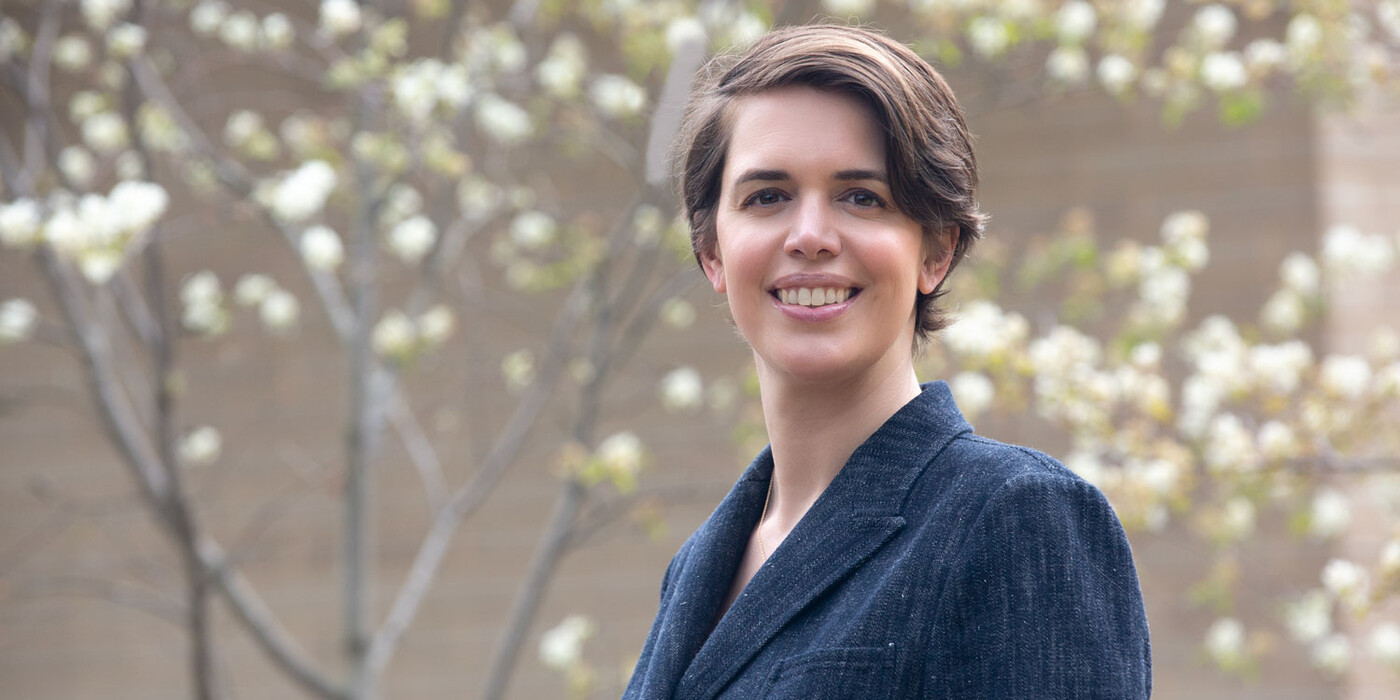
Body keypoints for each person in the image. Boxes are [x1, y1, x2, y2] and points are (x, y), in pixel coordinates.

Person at [623, 24, 1151, 699]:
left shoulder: (1015, 517)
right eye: (768, 196)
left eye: (861, 197)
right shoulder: (696, 569)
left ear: (935, 250)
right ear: (713, 253)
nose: (810, 236)